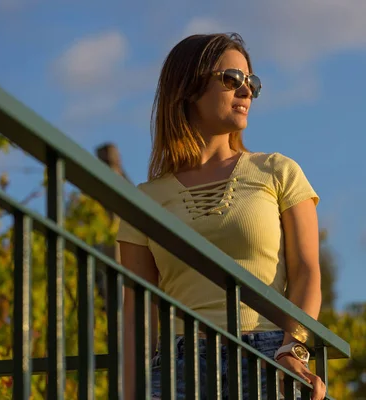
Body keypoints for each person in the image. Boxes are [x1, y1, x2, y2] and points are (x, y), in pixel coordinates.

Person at [116, 32, 326, 400]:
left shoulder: (279, 172)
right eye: (232, 79)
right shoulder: (145, 200)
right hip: (178, 366)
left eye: (252, 83)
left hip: (268, 358)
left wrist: (293, 349)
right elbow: (138, 313)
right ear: (189, 87)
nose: (246, 92)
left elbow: (307, 272)